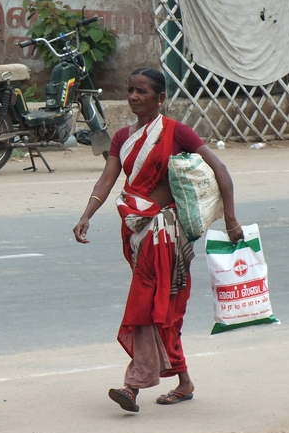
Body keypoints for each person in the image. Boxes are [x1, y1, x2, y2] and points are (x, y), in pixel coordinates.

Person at [73, 67, 244, 413]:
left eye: (143, 91)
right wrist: (86, 215)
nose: (134, 96)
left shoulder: (177, 132)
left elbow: (220, 171)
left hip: (166, 233)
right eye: (131, 90)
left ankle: (133, 385)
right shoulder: (122, 137)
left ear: (161, 98)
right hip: (136, 231)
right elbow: (107, 180)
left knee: (146, 304)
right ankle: (184, 381)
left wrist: (231, 219)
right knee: (160, 308)